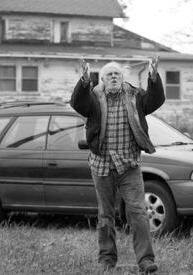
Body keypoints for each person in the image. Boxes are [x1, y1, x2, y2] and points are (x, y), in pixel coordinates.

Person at [70, 57, 164, 273]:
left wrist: (153, 77)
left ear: (123, 78)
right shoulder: (93, 97)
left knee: (139, 212)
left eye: (117, 74)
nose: (114, 77)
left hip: (129, 165)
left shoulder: (135, 96)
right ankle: (106, 259)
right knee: (105, 214)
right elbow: (78, 103)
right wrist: (84, 80)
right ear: (102, 80)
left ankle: (146, 260)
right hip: (102, 165)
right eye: (109, 74)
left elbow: (154, 100)